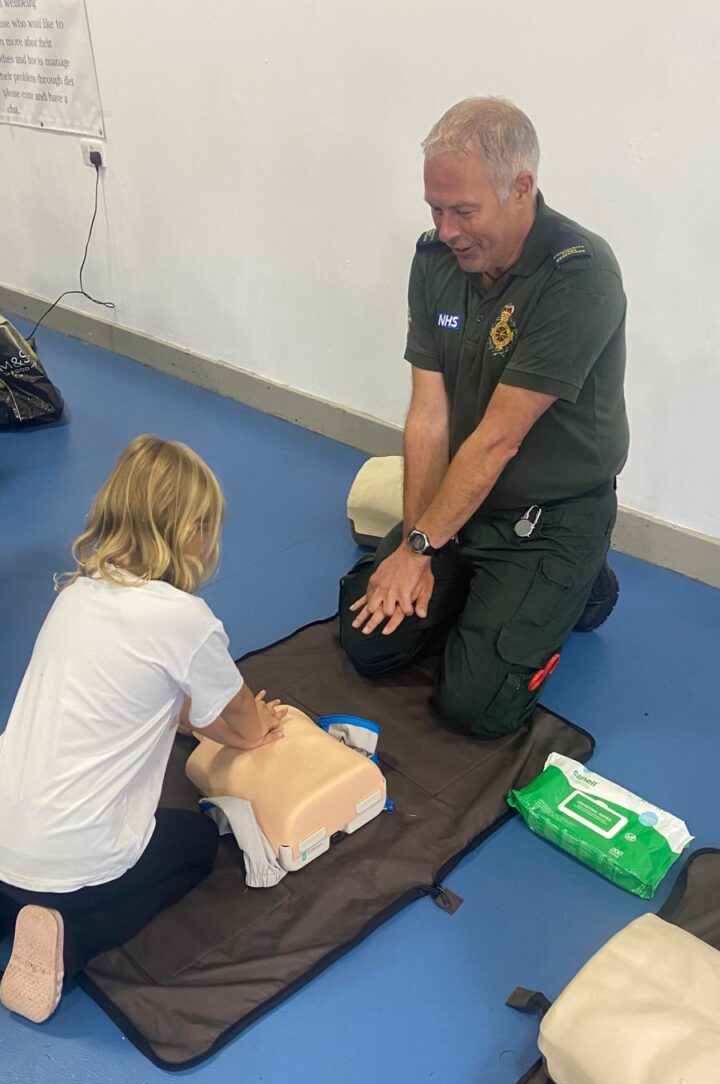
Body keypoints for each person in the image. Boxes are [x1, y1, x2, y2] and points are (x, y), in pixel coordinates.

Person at [340, 97, 628, 736]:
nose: (446, 229)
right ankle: (479, 586)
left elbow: (498, 440)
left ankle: (587, 584)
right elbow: (429, 416)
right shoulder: (436, 261)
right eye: (435, 209)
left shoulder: (579, 276)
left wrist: (418, 552)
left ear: (521, 188)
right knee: (368, 640)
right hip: (463, 499)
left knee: (477, 707)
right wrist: (419, 543)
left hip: (548, 514)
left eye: (463, 211)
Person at [0, 435, 286, 1024]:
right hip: (74, 863)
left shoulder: (75, 592)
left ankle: (15, 907)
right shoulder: (186, 620)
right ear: (189, 534)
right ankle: (67, 936)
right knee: (197, 846)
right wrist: (262, 724)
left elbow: (146, 698)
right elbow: (240, 726)